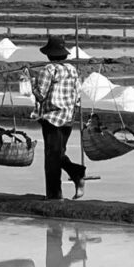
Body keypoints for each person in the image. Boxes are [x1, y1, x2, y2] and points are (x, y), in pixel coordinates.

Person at [24, 36, 86, 200]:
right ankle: (75, 174)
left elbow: (40, 95)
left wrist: (31, 80)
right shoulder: (72, 70)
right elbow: (78, 95)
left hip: (52, 118)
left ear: (49, 55)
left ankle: (55, 193)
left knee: (52, 157)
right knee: (58, 154)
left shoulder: (48, 70)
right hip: (67, 118)